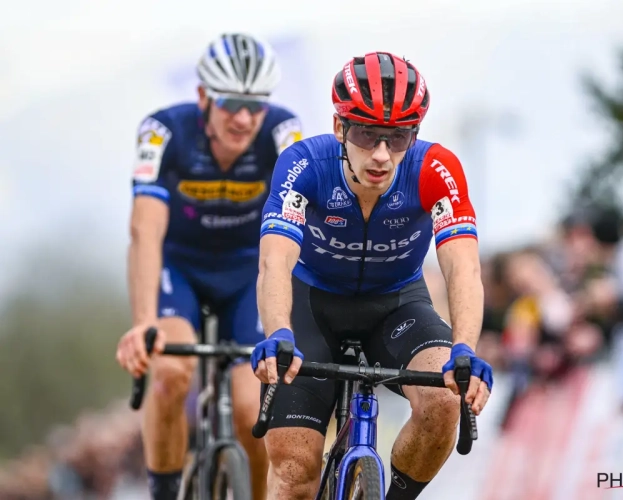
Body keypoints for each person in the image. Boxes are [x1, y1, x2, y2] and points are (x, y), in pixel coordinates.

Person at [251, 52, 493, 500]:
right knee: (294, 469)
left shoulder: (435, 169)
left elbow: (463, 265)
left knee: (443, 400)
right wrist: (278, 330)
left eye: (398, 137)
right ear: (340, 128)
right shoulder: (304, 164)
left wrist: (466, 348)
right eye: (366, 133)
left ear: (414, 134)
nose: (382, 154)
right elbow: (275, 261)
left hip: (395, 304)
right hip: (312, 307)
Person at [115, 33, 302, 500]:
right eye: (230, 104)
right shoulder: (162, 132)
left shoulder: (285, 134)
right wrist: (142, 325)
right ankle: (164, 491)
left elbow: (301, 228)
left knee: (249, 408)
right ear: (203, 97)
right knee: (171, 373)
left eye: (255, 106)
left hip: (246, 274)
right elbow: (145, 232)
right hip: (179, 269)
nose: (243, 118)